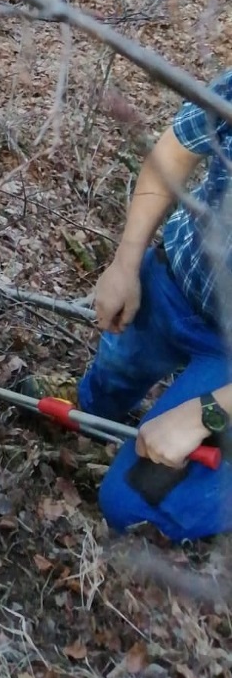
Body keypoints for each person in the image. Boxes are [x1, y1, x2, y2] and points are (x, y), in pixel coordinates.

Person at [78, 74, 232, 541]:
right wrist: (125, 263)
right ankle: (93, 412)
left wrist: (206, 413)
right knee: (103, 389)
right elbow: (173, 153)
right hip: (177, 283)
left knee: (132, 505)